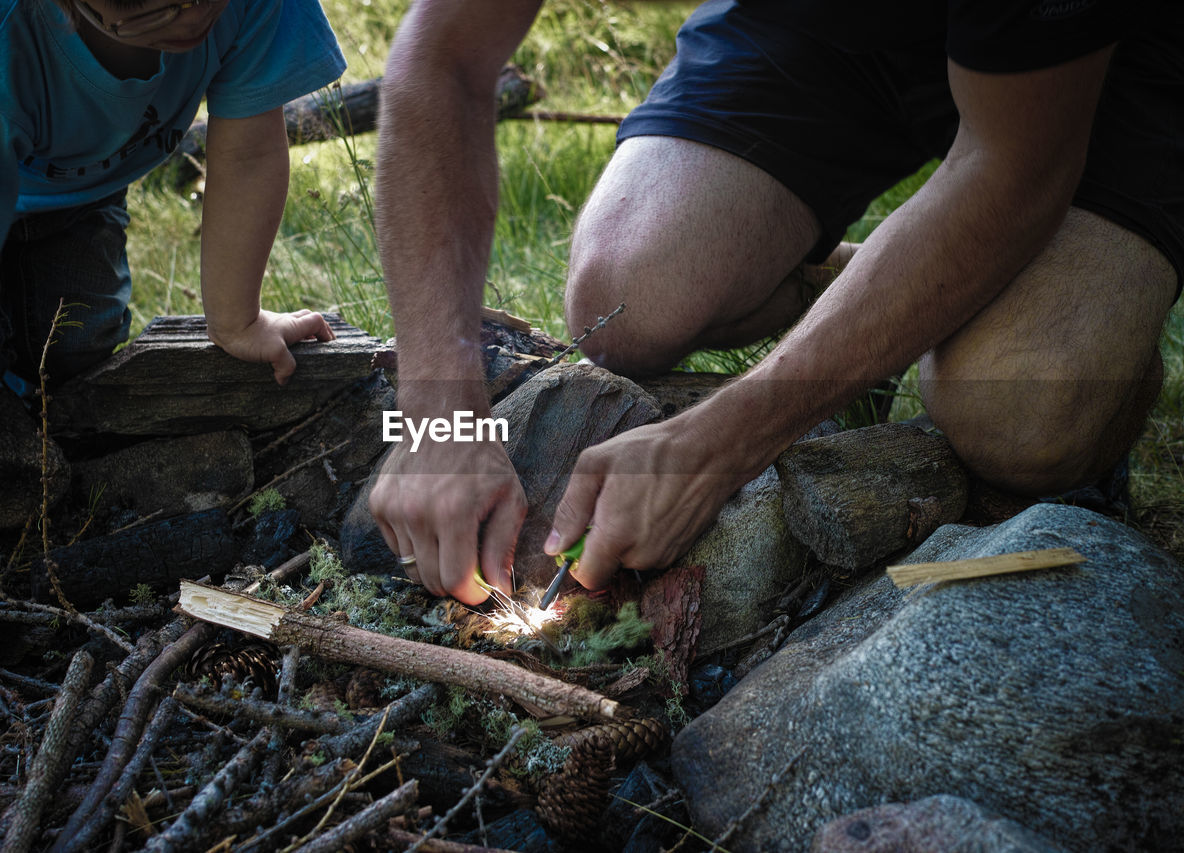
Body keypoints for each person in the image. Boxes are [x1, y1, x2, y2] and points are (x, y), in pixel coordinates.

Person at [369, 0, 1183, 605]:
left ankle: (1086, 323)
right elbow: (444, 58)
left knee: (1017, 411)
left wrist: (725, 439)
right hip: (819, 25)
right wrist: (438, 416)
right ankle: (891, 289)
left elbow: (1014, 167)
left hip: (1108, 57)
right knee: (624, 302)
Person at [0, 0, 347, 496]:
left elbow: (249, 153)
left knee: (76, 349)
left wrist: (237, 322)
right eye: (154, 9)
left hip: (80, 189)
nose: (190, 17)